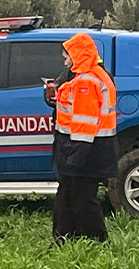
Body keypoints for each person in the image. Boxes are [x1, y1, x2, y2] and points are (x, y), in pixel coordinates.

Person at [50, 33, 117, 243]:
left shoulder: (86, 81)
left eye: (67, 56)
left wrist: (75, 159)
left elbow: (84, 124)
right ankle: (67, 237)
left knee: (81, 199)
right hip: (89, 148)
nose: (65, 60)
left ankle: (94, 240)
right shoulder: (94, 75)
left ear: (77, 55)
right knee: (70, 196)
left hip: (84, 149)